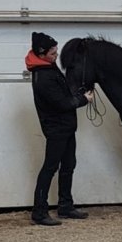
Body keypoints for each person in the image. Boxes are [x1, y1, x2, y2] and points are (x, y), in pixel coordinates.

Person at [26, 32, 94, 226]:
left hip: (66, 127)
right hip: (57, 129)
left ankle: (65, 205)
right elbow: (62, 103)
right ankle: (39, 211)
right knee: (50, 167)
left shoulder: (48, 67)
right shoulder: (44, 77)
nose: (56, 55)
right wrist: (84, 99)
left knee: (68, 165)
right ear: (41, 53)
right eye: (53, 52)